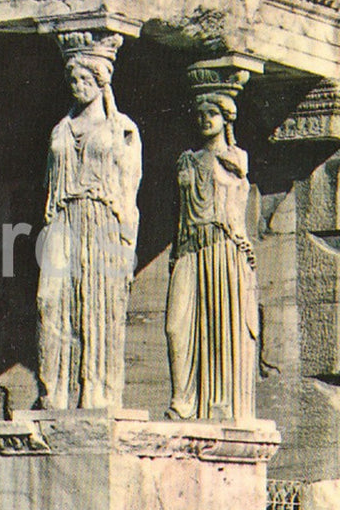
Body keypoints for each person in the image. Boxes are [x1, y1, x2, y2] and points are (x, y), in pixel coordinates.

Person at [36, 32, 142, 411]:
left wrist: (125, 238)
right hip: (63, 217)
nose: (77, 85)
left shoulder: (121, 129)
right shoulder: (60, 129)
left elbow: (129, 185)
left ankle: (96, 389)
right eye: (73, 79)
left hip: (102, 217)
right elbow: (50, 181)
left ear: (100, 81)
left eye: (84, 78)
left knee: (98, 303)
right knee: (50, 300)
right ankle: (54, 390)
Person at [165, 76, 259, 421]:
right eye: (200, 114)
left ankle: (218, 406)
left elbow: (237, 201)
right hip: (190, 248)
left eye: (213, 113)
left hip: (223, 247)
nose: (205, 119)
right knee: (176, 325)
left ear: (226, 119)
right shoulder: (186, 161)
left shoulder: (235, 159)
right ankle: (183, 400)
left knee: (221, 328)